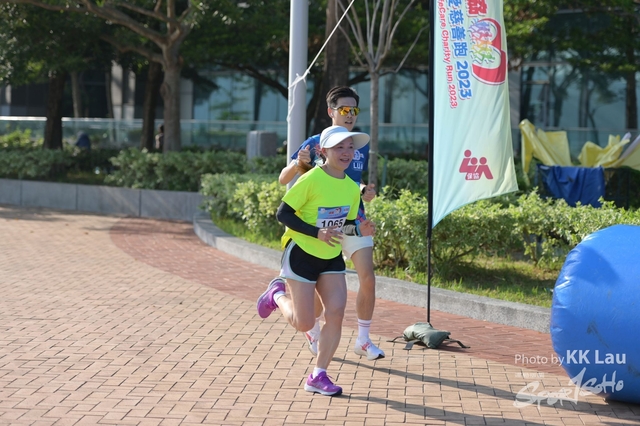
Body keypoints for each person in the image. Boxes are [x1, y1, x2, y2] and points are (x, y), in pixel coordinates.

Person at [256, 125, 376, 396]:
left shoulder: (350, 187)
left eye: (350, 147)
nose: (346, 152)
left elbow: (343, 225)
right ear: (323, 151)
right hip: (301, 253)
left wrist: (359, 229)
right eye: (339, 147)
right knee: (304, 323)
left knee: (336, 312)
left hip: (330, 256)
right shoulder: (311, 178)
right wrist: (316, 232)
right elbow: (283, 214)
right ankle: (277, 295)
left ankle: (318, 375)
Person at [278, 86, 384, 361]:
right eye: (344, 109)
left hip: (352, 219)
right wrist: (298, 164)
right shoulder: (315, 142)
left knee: (368, 277)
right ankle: (312, 330)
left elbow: (349, 180)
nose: (350, 114)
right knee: (313, 295)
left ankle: (363, 340)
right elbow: (284, 178)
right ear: (331, 111)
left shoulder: (359, 143)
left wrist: (363, 191)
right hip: (317, 226)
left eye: (354, 110)